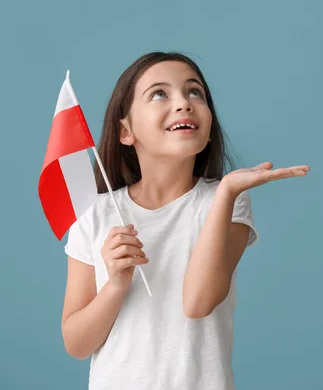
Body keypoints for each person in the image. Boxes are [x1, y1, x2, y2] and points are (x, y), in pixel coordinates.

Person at [61, 51, 310, 389]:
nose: (184, 103)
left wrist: (225, 193)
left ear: (208, 130)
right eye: (159, 93)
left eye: (195, 92)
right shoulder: (96, 214)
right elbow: (77, 344)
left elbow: (197, 302)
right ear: (126, 131)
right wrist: (115, 285)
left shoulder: (226, 201)